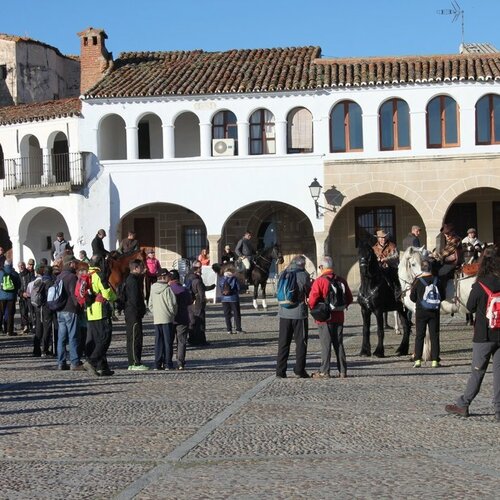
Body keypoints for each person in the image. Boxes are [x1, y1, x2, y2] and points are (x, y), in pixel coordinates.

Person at [445, 247, 500, 422]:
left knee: (477, 371)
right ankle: (499, 409)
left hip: (483, 335)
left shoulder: (480, 284)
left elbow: (470, 307)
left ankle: (463, 404)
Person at [308, 256, 353, 379]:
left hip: (324, 318)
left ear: (322, 267)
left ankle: (324, 371)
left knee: (326, 345)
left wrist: (313, 309)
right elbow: (349, 298)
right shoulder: (341, 280)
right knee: (339, 344)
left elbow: (312, 300)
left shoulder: (320, 281)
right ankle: (343, 371)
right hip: (339, 316)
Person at [276, 255, 311, 379]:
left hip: (283, 313)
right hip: (299, 314)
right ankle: (299, 370)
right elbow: (309, 291)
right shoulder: (303, 275)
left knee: (283, 342)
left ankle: (280, 371)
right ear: (302, 264)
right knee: (301, 343)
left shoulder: (283, 273)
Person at [83, 254, 116, 377]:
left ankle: (103, 367)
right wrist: (114, 296)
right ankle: (91, 361)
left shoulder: (88, 274)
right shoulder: (99, 275)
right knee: (104, 339)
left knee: (97, 339)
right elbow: (107, 295)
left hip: (90, 311)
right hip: (100, 310)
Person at [410, 259, 441, 368]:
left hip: (421, 312)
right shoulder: (437, 280)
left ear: (421, 269)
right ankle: (435, 361)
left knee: (419, 335)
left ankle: (418, 359)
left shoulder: (418, 281)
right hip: (434, 311)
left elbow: (412, 297)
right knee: (434, 336)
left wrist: (419, 301)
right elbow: (443, 295)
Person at [56, 255, 84, 371]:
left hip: (60, 310)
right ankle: (75, 362)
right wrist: (79, 306)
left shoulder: (59, 276)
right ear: (71, 263)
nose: (76, 265)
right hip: (70, 310)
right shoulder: (72, 277)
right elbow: (74, 294)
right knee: (73, 336)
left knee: (61, 337)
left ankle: (61, 362)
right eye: (75, 263)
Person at [149, 268, 177, 370]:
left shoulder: (153, 288)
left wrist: (155, 313)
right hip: (167, 318)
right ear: (164, 277)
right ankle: (168, 363)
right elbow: (172, 304)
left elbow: (150, 304)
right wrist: (173, 314)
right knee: (168, 342)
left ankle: (157, 363)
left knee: (158, 342)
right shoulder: (167, 289)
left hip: (157, 318)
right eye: (169, 276)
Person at [124, 259, 148, 371]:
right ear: (135, 268)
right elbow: (134, 298)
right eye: (141, 267)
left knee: (137, 337)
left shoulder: (135, 279)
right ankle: (134, 362)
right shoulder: (132, 280)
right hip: (133, 312)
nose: (143, 268)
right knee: (134, 337)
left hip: (134, 312)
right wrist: (139, 310)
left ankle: (136, 361)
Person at [167, 269, 193, 370]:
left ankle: (168, 361)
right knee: (181, 341)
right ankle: (180, 362)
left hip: (170, 317)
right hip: (182, 317)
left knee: (169, 340)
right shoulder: (184, 290)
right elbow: (189, 302)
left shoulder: (168, 289)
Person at [186, 260, 215, 346]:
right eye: (200, 267)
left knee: (192, 321)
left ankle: (192, 339)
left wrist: (210, 287)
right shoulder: (197, 279)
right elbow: (201, 292)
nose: (201, 269)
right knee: (200, 321)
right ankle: (201, 340)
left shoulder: (188, 276)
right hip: (197, 302)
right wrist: (204, 301)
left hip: (190, 301)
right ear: (197, 268)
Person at [218, 264, 243, 334]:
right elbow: (238, 288)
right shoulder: (234, 278)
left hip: (224, 299)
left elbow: (220, 287)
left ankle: (229, 329)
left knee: (227, 314)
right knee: (236, 314)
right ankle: (238, 329)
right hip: (233, 298)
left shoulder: (221, 279)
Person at [0, 259, 20, 337]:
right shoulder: (15, 274)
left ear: (4, 265)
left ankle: (0, 330)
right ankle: (10, 331)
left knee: (0, 313)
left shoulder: (0, 273)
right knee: (10, 314)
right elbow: (19, 285)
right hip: (11, 297)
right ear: (11, 265)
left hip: (1, 297)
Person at [17, 260, 35, 334]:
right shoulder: (18, 276)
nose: (21, 267)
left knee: (31, 311)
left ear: (25, 266)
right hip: (22, 296)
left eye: (22, 265)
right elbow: (17, 287)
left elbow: (32, 284)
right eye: (20, 266)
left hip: (29, 295)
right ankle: (25, 326)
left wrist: (28, 292)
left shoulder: (30, 274)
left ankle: (32, 326)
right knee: (23, 312)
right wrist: (21, 293)